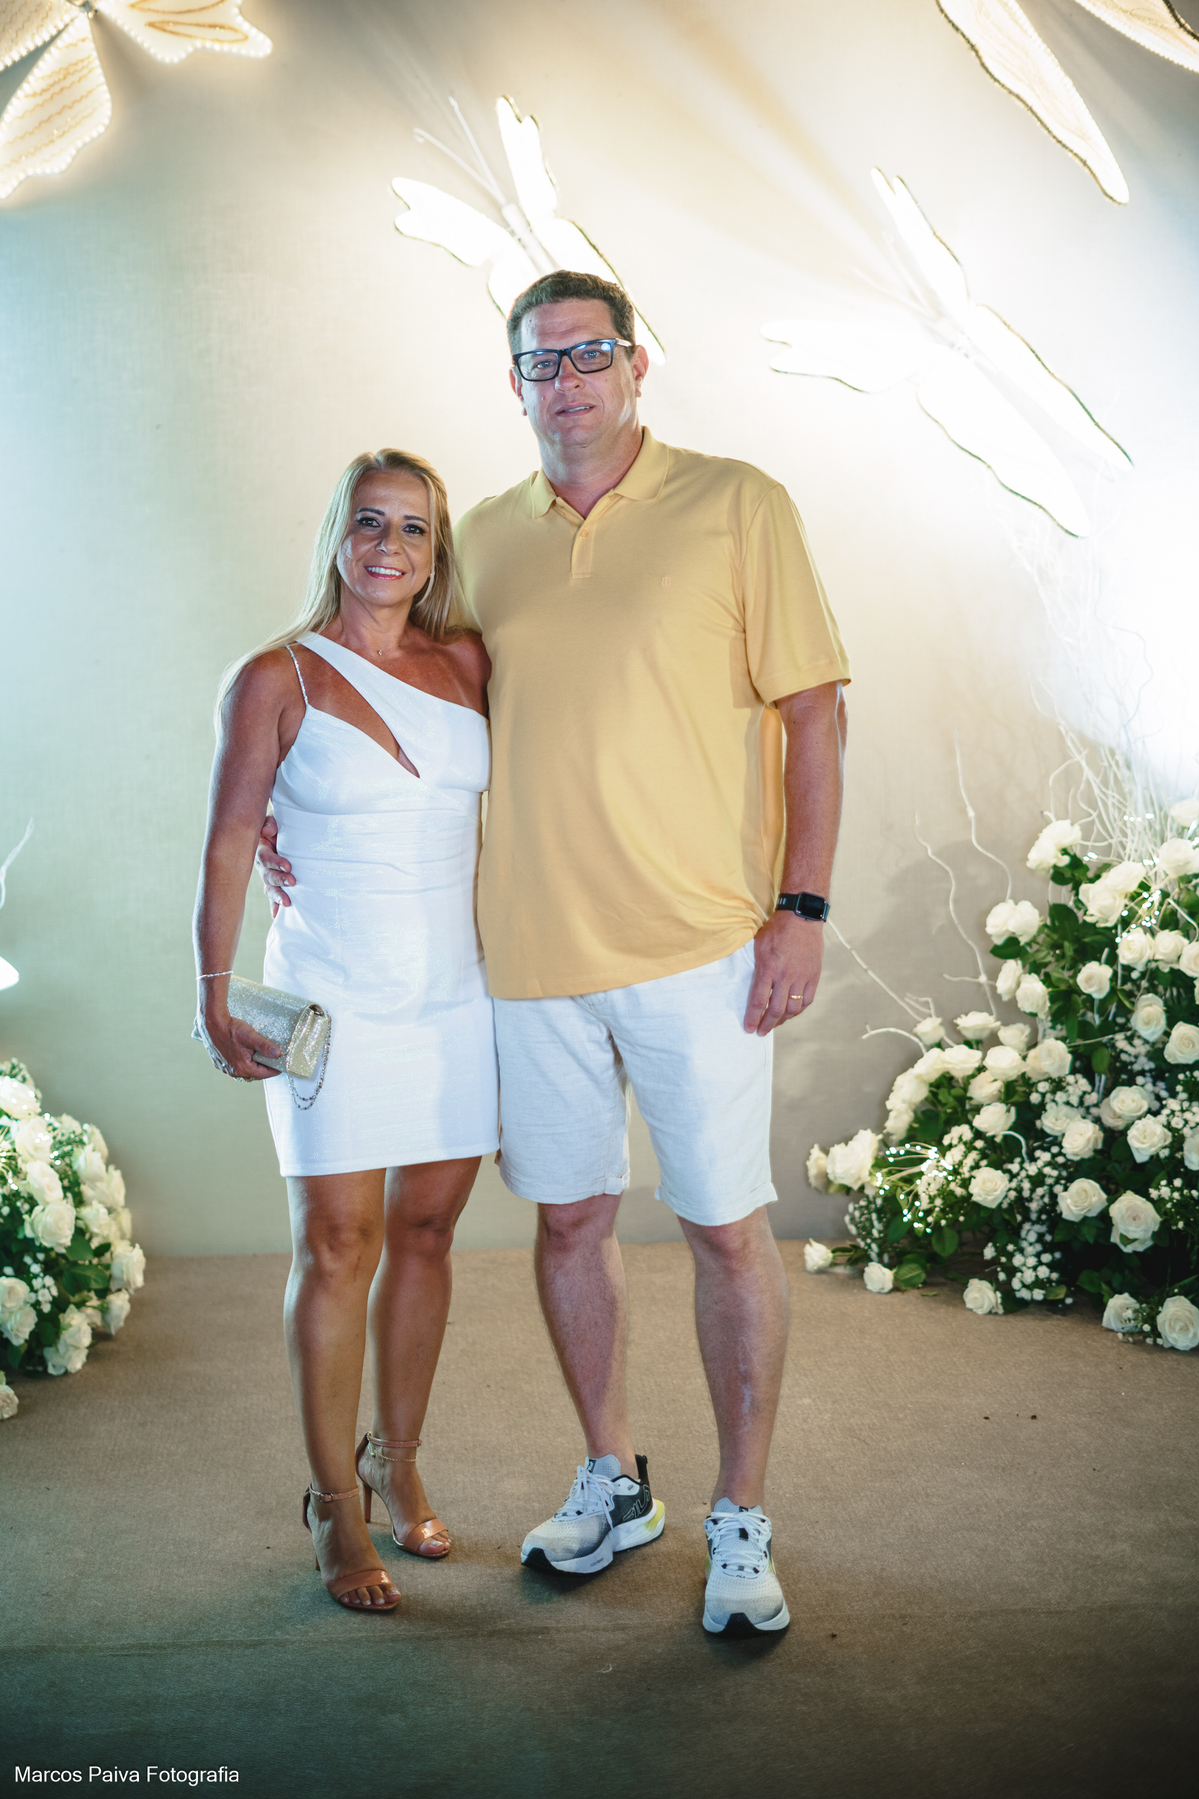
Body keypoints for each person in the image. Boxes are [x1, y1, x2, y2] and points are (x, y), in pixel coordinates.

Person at [262, 273, 849, 1636]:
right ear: (516, 381)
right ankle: (613, 1477)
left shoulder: (739, 503)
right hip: (524, 959)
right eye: (543, 362)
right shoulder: (480, 542)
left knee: (723, 1230)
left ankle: (741, 1516)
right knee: (571, 1222)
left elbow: (816, 714)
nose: (569, 381)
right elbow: (396, 705)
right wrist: (292, 819)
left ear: (639, 364)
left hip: (702, 944)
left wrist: (803, 907)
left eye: (592, 355)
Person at [194, 449, 497, 1613]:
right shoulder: (273, 676)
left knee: (427, 1231)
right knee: (334, 1244)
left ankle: (395, 1459)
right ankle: (333, 1503)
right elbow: (231, 841)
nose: (389, 546)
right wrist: (213, 987)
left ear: (435, 551)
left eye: (413, 528)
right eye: (370, 521)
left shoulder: (466, 662)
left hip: (455, 994)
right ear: (337, 533)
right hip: (330, 991)